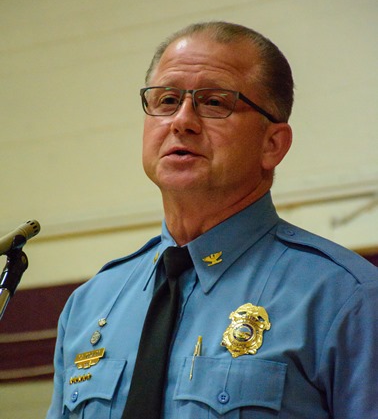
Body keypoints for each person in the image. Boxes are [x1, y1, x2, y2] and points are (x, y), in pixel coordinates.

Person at [47, 21, 378, 419]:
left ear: (272, 144)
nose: (181, 121)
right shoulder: (90, 305)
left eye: (215, 102)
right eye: (167, 100)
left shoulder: (347, 299)